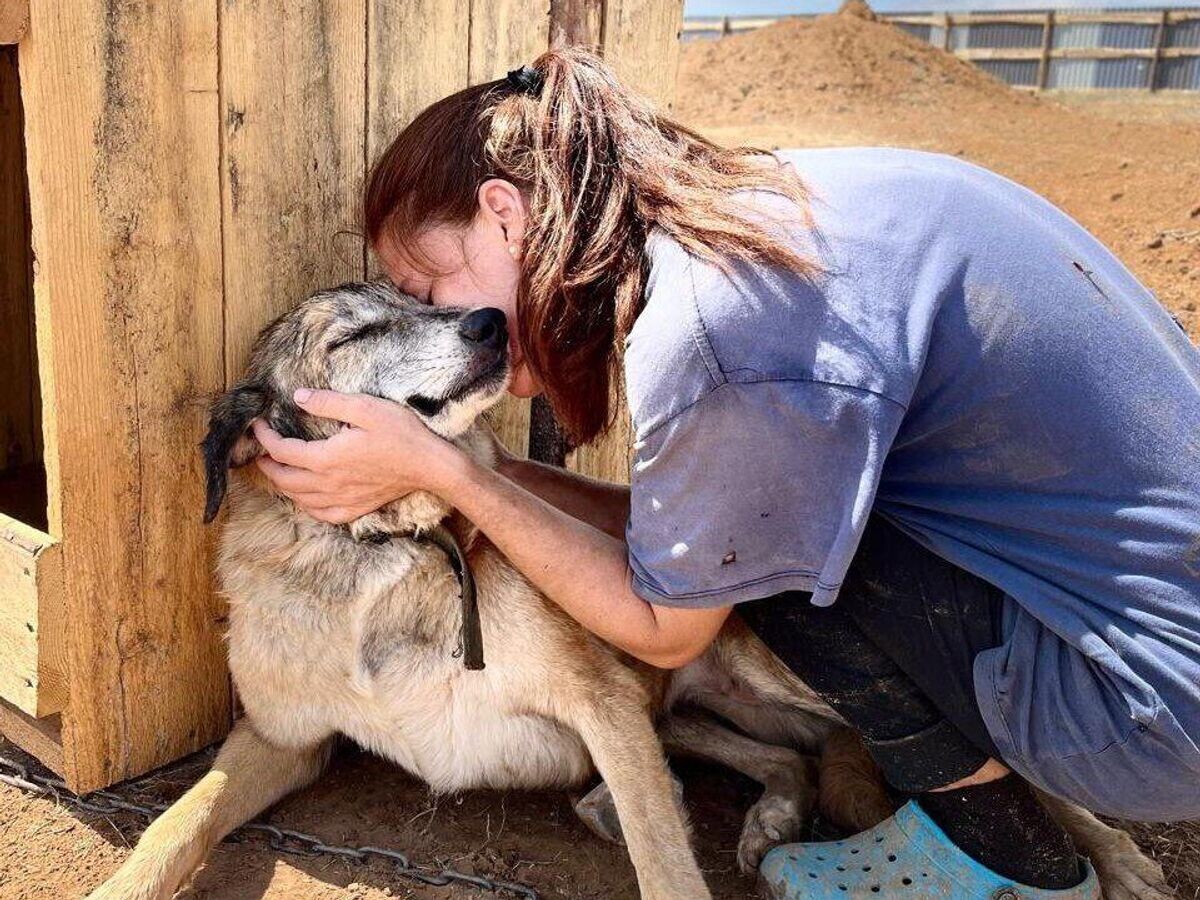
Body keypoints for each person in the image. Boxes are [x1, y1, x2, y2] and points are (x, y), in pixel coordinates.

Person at [249, 48, 1200, 898]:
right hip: (1135, 618)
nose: (442, 326)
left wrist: (453, 478)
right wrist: (452, 469)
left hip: (1146, 707)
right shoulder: (769, 213)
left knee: (761, 554)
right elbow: (676, 524)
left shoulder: (720, 331)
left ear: (505, 214)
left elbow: (668, 628)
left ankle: (1012, 859)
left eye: (426, 290)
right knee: (738, 531)